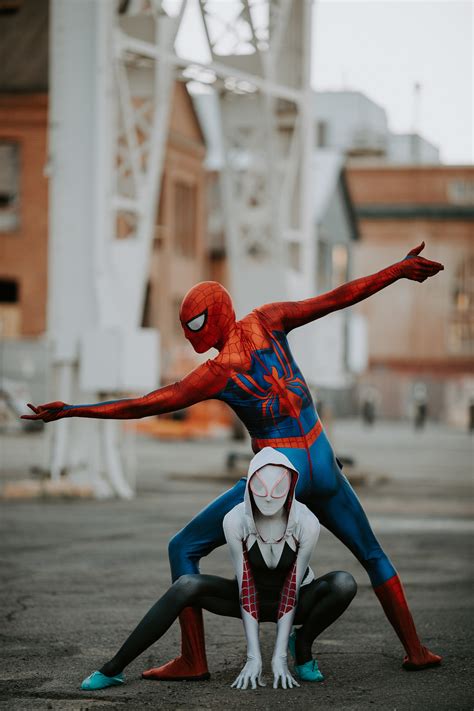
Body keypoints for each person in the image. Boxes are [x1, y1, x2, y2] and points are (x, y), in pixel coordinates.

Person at [23, 241, 444, 678]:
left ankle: (193, 659)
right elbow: (338, 297)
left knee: (182, 546)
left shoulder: (218, 372)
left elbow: (148, 403)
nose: (194, 338)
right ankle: (415, 650)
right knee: (372, 554)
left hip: (282, 476)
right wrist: (395, 270)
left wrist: (74, 410)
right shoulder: (269, 319)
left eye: (195, 327)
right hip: (323, 459)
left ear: (206, 322)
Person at [81, 448, 356, 691]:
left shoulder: (306, 522)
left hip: (297, 600)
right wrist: (253, 657)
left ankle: (303, 647)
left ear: (291, 486)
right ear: (249, 486)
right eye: (260, 487)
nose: (269, 497)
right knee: (186, 585)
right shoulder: (235, 519)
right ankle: (113, 668)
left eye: (278, 489)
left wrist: (278, 657)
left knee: (343, 583)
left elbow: (291, 590)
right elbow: (245, 587)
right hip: (246, 599)